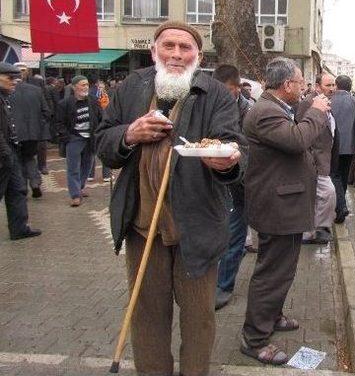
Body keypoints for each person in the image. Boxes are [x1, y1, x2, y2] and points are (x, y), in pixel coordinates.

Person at [96, 21, 244, 376]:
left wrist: (224, 161)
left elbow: (235, 146)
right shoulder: (132, 87)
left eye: (185, 48)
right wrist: (128, 134)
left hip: (196, 227)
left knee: (198, 320)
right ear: (154, 51)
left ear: (198, 56)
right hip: (142, 226)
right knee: (146, 316)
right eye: (169, 46)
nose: (176, 54)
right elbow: (104, 143)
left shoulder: (216, 94)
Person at [241, 57, 330, 365]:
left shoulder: (274, 107)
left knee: (282, 270)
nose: (304, 88)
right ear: (287, 85)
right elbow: (297, 141)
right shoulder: (265, 111)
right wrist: (317, 113)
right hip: (277, 207)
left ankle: (273, 315)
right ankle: (254, 339)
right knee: (272, 274)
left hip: (285, 204)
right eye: (300, 83)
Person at [212, 64, 252, 310]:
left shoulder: (249, 113)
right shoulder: (211, 106)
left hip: (241, 184)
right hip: (216, 183)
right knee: (222, 235)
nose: (222, 95)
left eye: (226, 91)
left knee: (234, 236)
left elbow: (251, 151)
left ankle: (223, 285)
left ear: (237, 89)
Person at [296, 72, 339, 245]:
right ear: (317, 86)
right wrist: (309, 157)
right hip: (313, 159)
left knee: (318, 195)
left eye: (333, 85)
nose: (332, 88)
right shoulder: (309, 103)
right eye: (328, 85)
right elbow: (302, 131)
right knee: (328, 193)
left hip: (324, 158)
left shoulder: (326, 102)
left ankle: (313, 231)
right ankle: (317, 229)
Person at [0, 63, 41, 241]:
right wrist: (7, 155)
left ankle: (19, 228)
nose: (14, 81)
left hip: (11, 153)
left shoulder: (4, 97)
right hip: (4, 155)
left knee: (17, 190)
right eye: (10, 78)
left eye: (16, 78)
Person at [57, 75, 102, 207]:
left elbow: (101, 116)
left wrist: (100, 132)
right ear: (74, 87)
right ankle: (75, 195)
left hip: (90, 138)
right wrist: (67, 137)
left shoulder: (93, 101)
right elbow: (59, 123)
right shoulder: (65, 104)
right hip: (74, 138)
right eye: (82, 85)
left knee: (87, 165)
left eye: (87, 84)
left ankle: (80, 187)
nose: (86, 87)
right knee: (73, 167)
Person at [11, 69, 50, 199]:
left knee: (18, 160)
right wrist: (39, 125)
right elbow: (46, 111)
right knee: (29, 157)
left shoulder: (8, 92)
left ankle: (22, 187)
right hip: (33, 133)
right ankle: (34, 182)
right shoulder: (36, 90)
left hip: (13, 132)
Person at [330, 75, 355, 223]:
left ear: (336, 85)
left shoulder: (328, 100)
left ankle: (340, 207)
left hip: (331, 145)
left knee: (334, 176)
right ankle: (341, 205)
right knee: (342, 176)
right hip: (349, 146)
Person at [88, 80, 111, 183]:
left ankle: (93, 175)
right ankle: (95, 175)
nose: (101, 88)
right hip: (100, 125)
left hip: (97, 126)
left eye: (102, 87)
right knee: (101, 150)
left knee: (97, 151)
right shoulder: (98, 97)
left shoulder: (93, 96)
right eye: (100, 86)